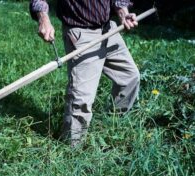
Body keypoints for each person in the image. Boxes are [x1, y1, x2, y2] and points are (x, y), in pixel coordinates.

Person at [30, 0, 140, 147]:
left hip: (108, 29)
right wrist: (43, 18)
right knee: (81, 99)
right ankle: (71, 149)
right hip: (82, 33)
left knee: (130, 77)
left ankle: (111, 127)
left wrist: (123, 12)